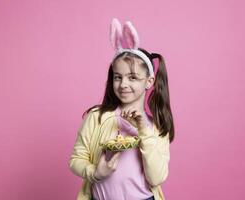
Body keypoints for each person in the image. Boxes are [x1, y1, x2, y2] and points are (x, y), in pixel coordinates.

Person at [69, 18, 175, 200]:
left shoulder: (157, 127)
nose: (123, 84)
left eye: (132, 77)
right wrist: (95, 173)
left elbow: (156, 177)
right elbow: (76, 160)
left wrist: (143, 131)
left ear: (149, 81)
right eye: (118, 77)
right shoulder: (97, 117)